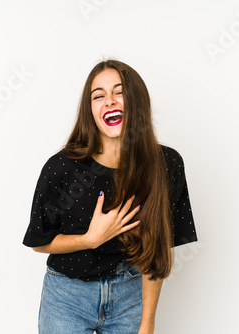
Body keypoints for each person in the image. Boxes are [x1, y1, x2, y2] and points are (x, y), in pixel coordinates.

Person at [22, 59, 198, 333]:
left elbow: (157, 250)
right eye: (99, 96)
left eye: (119, 92)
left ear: (136, 100)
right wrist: (90, 239)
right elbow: (39, 242)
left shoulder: (166, 163)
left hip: (131, 296)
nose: (109, 101)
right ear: (90, 109)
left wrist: (148, 321)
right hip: (67, 297)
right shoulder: (61, 167)